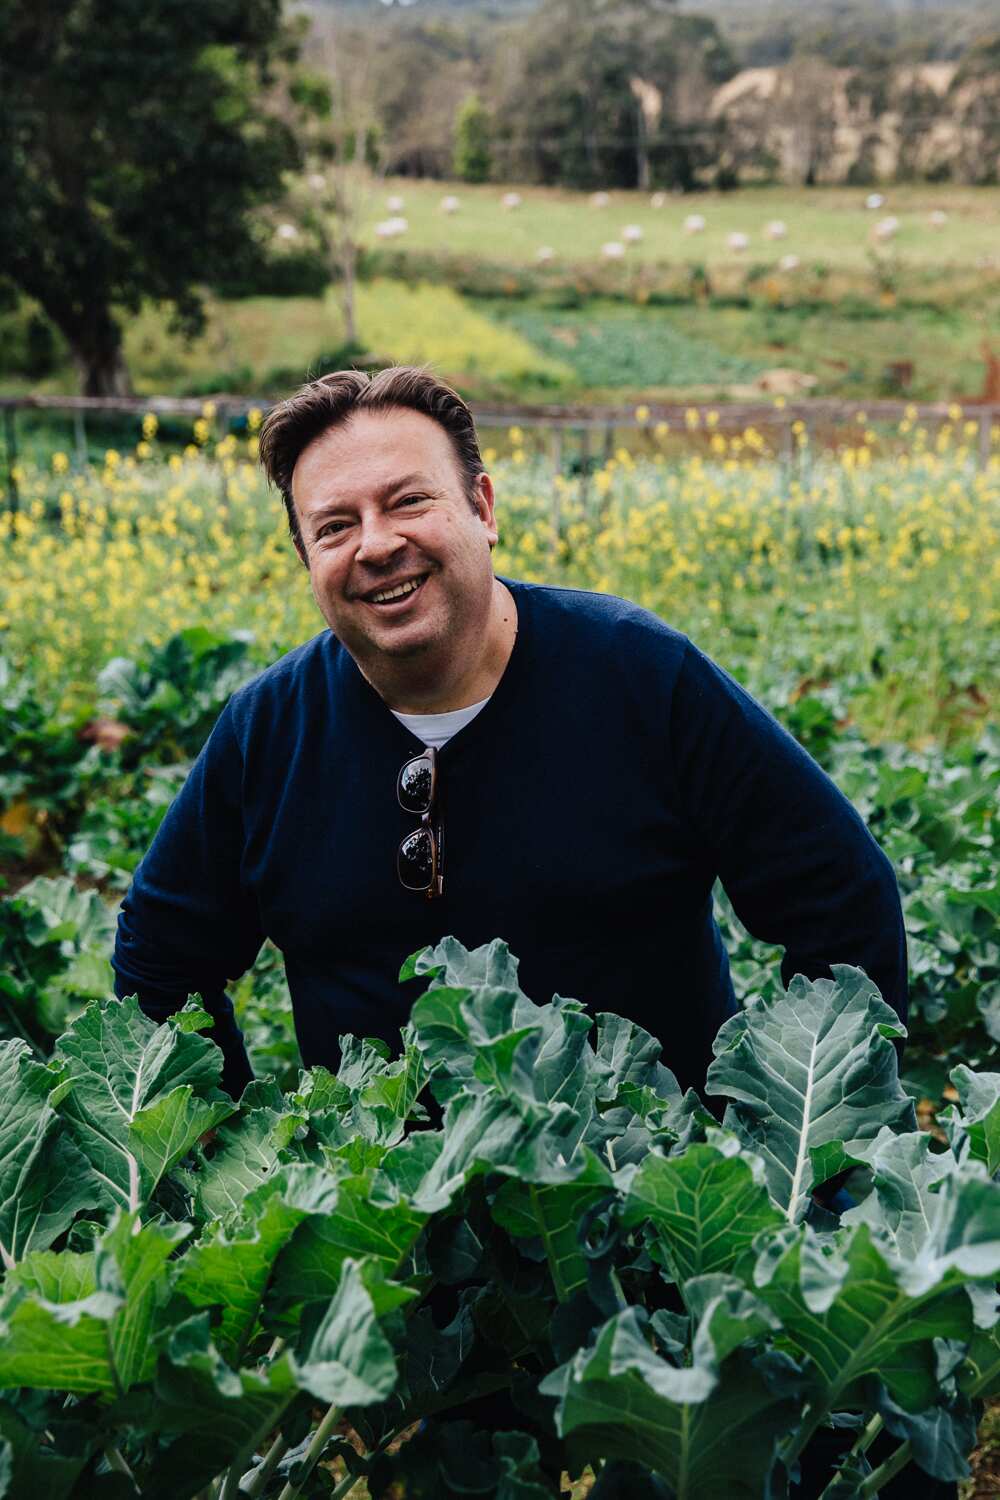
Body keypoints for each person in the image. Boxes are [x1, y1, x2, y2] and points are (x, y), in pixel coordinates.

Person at [112, 365, 908, 1104]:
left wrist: (792, 1146)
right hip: (384, 1235)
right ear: (304, 556)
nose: (377, 544)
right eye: (334, 526)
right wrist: (219, 1151)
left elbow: (840, 902)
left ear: (483, 509)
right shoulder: (268, 731)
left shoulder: (638, 674)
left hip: (638, 1215)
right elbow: (160, 959)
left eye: (408, 502)